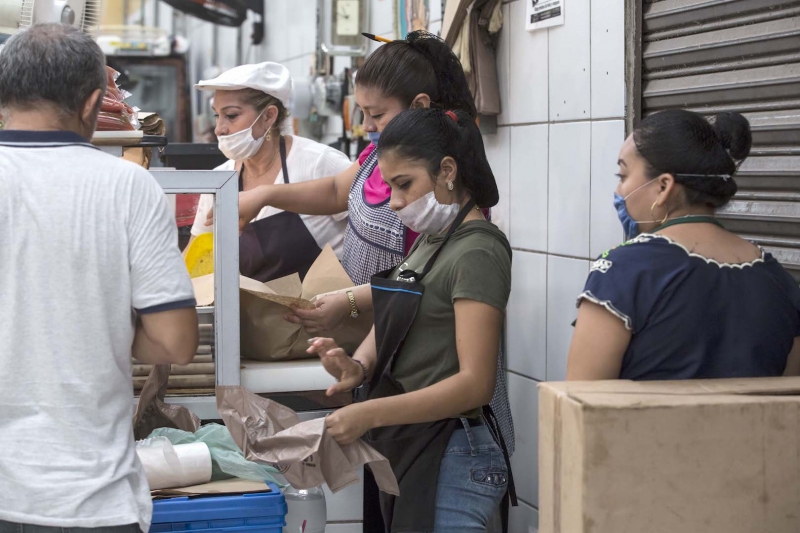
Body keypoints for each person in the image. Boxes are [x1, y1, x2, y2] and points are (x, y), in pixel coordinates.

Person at [0, 25, 198, 533]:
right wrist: (95, 322)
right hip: (89, 500)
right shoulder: (127, 185)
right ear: (92, 103)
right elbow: (175, 343)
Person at [307, 108, 516, 533]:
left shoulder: (477, 252)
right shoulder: (434, 239)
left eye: (405, 184)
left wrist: (371, 414)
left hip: (453, 457)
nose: (397, 202)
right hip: (416, 447)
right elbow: (399, 311)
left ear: (447, 170)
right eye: (390, 187)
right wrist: (358, 366)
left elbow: (476, 384)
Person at [567, 109, 800, 381]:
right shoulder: (779, 281)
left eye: (623, 176)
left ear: (663, 186)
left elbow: (578, 408)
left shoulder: (621, 273)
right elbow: (787, 405)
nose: (619, 192)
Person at [192, 61, 352, 282]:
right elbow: (197, 261)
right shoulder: (220, 180)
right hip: (251, 315)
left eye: (230, 115)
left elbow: (372, 238)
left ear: (268, 116)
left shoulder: (319, 163)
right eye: (216, 116)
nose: (219, 128)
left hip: (328, 311)